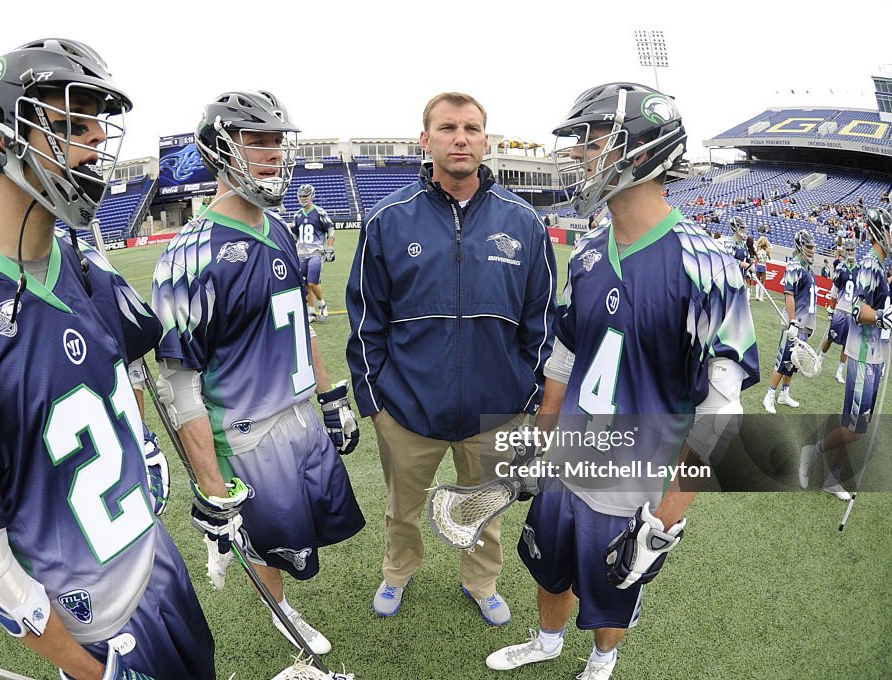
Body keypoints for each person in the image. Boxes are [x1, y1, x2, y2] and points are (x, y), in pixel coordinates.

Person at [0, 39, 214, 679]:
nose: (95, 149)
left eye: (97, 129)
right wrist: (85, 670)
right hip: (97, 632)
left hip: (159, 567)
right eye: (70, 127)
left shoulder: (86, 264)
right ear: (5, 139)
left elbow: (128, 374)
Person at [485, 82, 758, 680]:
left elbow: (721, 414)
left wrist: (666, 521)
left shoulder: (706, 266)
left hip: (631, 478)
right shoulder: (586, 253)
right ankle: (548, 639)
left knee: (614, 584)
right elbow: (563, 358)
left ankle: (601, 660)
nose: (580, 155)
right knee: (548, 566)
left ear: (640, 147)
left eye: (593, 140)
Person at [151, 91, 365, 656]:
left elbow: (299, 327)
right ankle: (282, 612)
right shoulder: (189, 256)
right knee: (266, 540)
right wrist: (210, 485)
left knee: (306, 532)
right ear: (220, 149)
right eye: (257, 140)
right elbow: (178, 384)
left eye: (277, 140)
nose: (272, 153)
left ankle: (276, 583)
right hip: (247, 435)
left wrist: (331, 395)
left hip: (299, 421)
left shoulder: (278, 226)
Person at [346, 91, 556, 625]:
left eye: (470, 128)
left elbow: (543, 321)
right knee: (403, 508)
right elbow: (367, 319)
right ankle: (398, 572)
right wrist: (376, 405)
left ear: (486, 141)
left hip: (496, 410)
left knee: (486, 508)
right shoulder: (388, 219)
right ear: (426, 139)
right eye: (447, 128)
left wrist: (526, 396)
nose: (459, 138)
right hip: (407, 410)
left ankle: (481, 581)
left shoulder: (525, 223)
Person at [800, 208, 891, 500]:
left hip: (876, 357)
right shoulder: (869, 265)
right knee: (854, 428)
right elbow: (856, 309)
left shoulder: (880, 266)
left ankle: (833, 477)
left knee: (856, 427)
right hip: (863, 355)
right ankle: (812, 452)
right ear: (881, 231)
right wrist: (881, 318)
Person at [762, 229, 817, 414]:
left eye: (812, 247)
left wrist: (810, 324)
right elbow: (789, 294)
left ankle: (784, 394)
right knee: (783, 360)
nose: (811, 250)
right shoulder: (794, 266)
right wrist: (793, 321)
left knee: (794, 363)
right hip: (794, 324)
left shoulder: (808, 268)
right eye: (808, 247)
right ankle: (769, 395)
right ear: (800, 246)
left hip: (804, 324)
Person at [291, 183, 335, 322]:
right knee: (304, 284)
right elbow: (294, 236)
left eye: (306, 196)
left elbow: (330, 230)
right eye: (301, 196)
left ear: (312, 196)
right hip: (301, 253)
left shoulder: (320, 212)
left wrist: (330, 248)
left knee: (312, 282)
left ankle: (322, 304)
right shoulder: (297, 215)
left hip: (316, 251)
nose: (303, 199)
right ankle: (311, 312)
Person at [819, 243, 858, 383]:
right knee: (830, 337)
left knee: (847, 344)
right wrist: (831, 308)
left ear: (855, 250)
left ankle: (839, 371)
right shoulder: (841, 268)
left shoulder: (860, 269)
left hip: (852, 312)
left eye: (852, 249)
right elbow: (834, 292)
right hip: (841, 310)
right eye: (847, 250)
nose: (850, 252)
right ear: (844, 252)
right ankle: (819, 360)